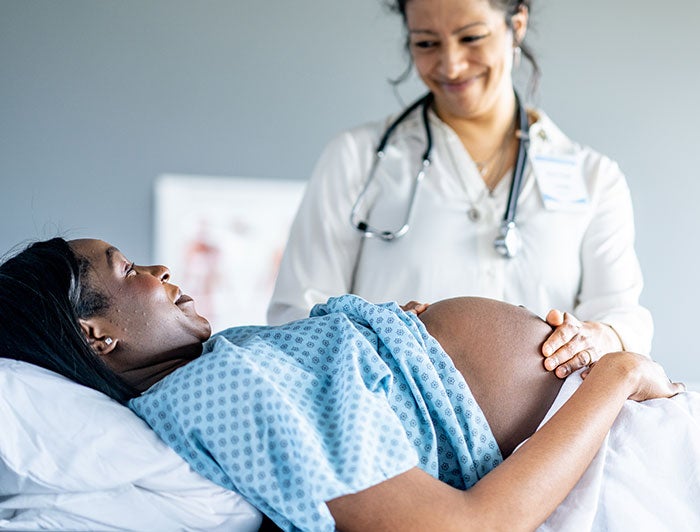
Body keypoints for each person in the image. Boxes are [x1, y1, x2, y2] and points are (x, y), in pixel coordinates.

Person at [0, 237, 686, 531]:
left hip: (612, 422)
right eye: (125, 272)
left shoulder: (230, 357)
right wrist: (620, 374)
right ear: (96, 335)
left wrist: (383, 335)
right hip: (603, 443)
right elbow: (471, 527)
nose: (157, 270)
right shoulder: (217, 394)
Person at [267, 0, 653, 381]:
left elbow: (621, 317)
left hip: (547, 435)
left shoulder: (594, 177)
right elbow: (295, 317)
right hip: (392, 428)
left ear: (516, 24)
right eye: (426, 43)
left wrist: (602, 336)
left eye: (471, 37)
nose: (450, 65)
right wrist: (373, 330)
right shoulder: (356, 159)